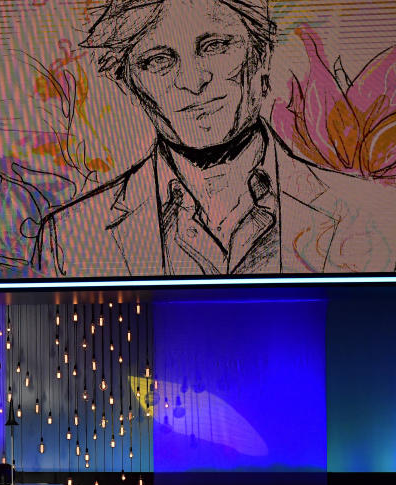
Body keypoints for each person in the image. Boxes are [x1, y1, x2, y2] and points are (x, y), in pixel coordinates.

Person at [28, 0, 395, 278]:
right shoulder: (70, 234)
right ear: (129, 85)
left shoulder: (372, 212)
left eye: (215, 46)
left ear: (261, 54)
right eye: (158, 60)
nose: (192, 79)